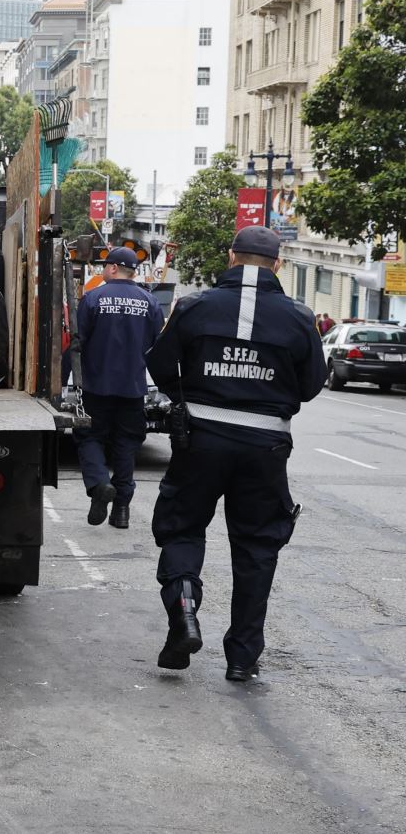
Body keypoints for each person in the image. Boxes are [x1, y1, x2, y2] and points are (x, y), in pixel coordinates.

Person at [144, 226, 325, 682]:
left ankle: (184, 610)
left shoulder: (195, 306)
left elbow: (160, 364)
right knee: (257, 546)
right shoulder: (299, 318)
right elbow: (309, 385)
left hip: (200, 441)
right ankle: (242, 656)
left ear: (230, 257)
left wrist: (188, 398)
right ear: (278, 264)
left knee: (183, 529)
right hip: (264, 447)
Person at [73, 246, 165, 528]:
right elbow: (155, 343)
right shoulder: (149, 302)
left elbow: (79, 340)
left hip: (96, 386)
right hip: (133, 388)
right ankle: (121, 510)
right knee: (126, 446)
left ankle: (100, 485)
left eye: (104, 266)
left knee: (89, 438)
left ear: (113, 268)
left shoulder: (92, 299)